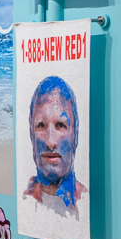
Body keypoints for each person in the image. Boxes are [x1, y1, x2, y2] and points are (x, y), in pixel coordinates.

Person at [22, 74, 86, 219]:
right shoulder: (25, 199)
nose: (50, 142)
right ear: (31, 135)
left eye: (60, 125)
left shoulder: (86, 200)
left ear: (74, 136)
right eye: (41, 126)